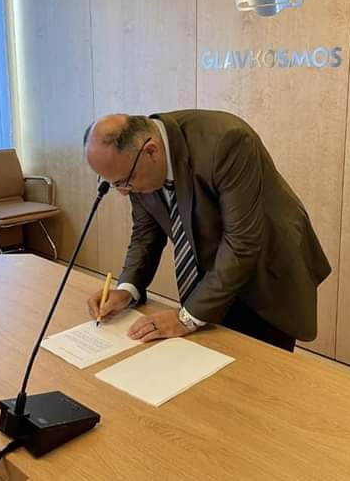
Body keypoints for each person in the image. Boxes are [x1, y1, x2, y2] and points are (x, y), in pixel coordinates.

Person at [84, 110, 331, 351]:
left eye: (124, 182)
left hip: (266, 272)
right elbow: (144, 235)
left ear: (151, 151)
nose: (123, 192)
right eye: (113, 183)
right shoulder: (133, 164)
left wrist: (185, 318)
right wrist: (126, 290)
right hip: (216, 277)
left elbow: (242, 242)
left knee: (262, 370)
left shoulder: (226, 140)